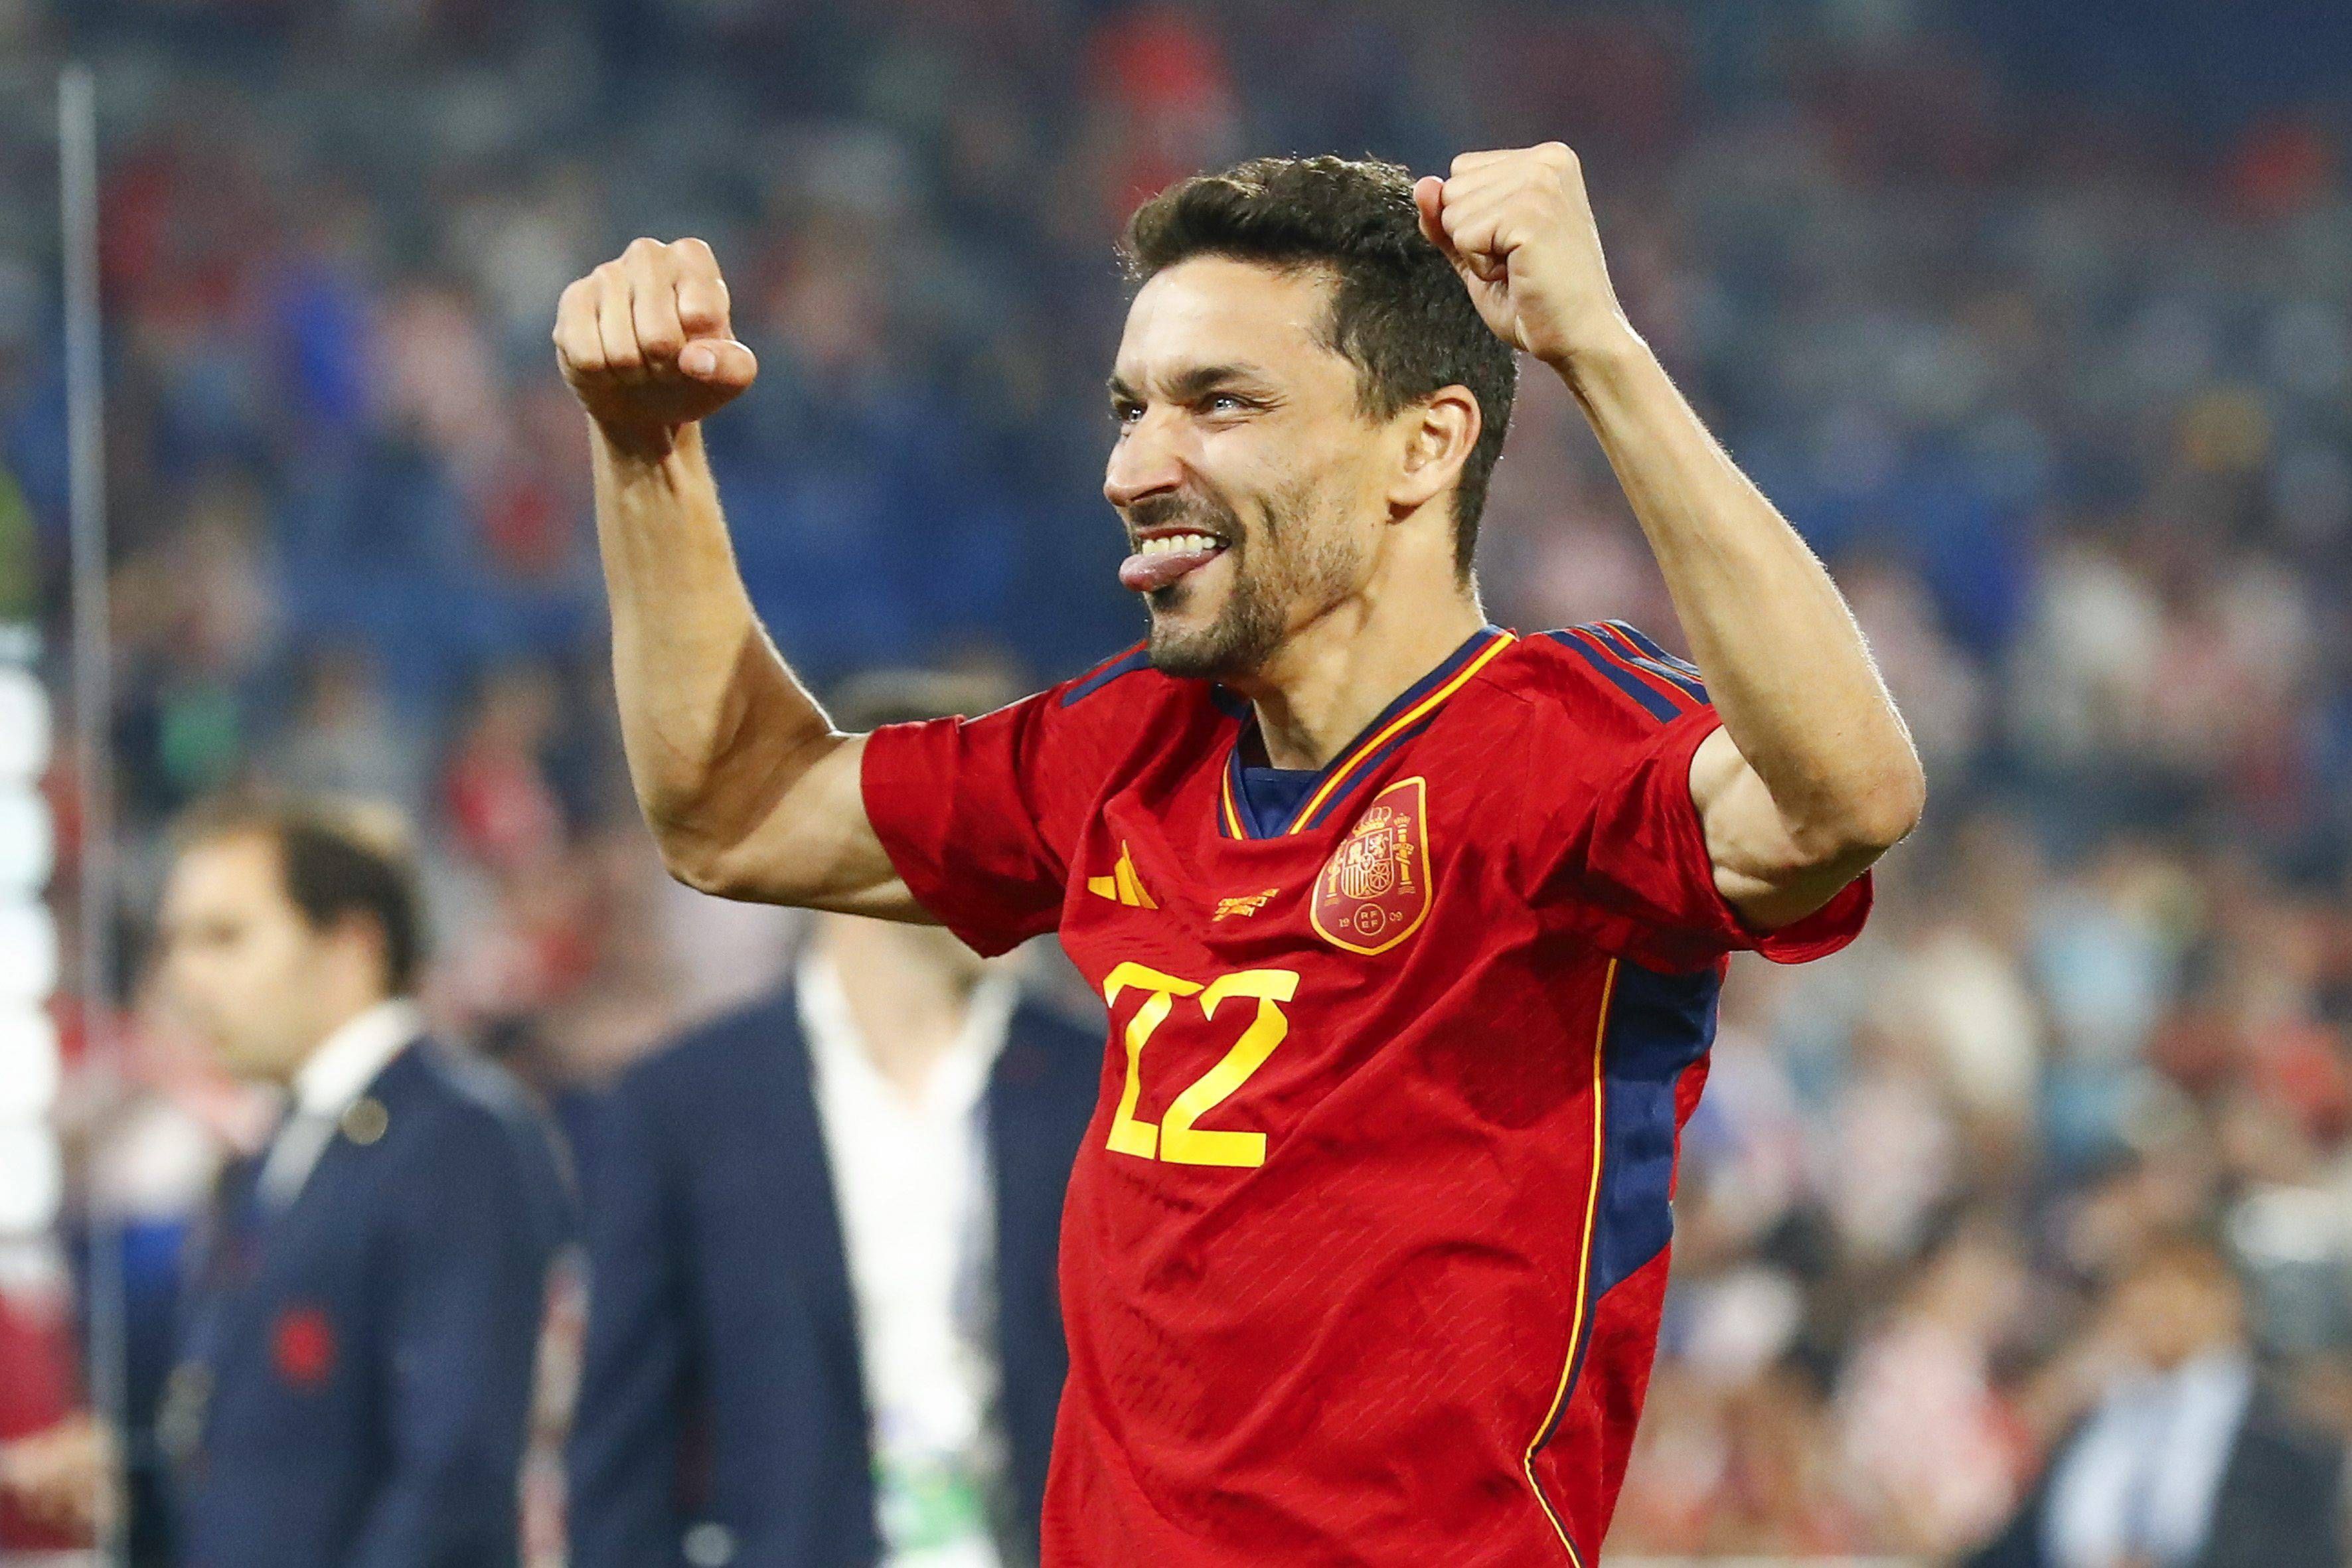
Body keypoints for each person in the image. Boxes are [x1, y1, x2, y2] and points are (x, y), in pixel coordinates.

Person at [553, 145, 1922, 1562]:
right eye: (1130, 408)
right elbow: (738, 810)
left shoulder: (1560, 745)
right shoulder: (1128, 746)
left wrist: (1600, 351)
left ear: (1424, 443)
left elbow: (1841, 797)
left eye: (1221, 403)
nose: (1135, 467)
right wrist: (647, 450)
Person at [568, 670, 1103, 1568]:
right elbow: (624, 1456)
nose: (1033, 853)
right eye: (986, 817)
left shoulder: (1104, 1081)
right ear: (855, 837)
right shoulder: (682, 1109)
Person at [135, 798, 569, 1568]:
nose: (183, 977)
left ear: (350, 947)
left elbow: (454, 1471)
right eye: (173, 943)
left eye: (224, 937)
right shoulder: (273, 1153)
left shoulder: (455, 1139)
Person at [1968, 1235, 2347, 1568]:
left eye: (2176, 1285)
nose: (2151, 1305)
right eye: (2139, 1285)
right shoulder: (2093, 1411)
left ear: (2227, 1301)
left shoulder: (2290, 1431)